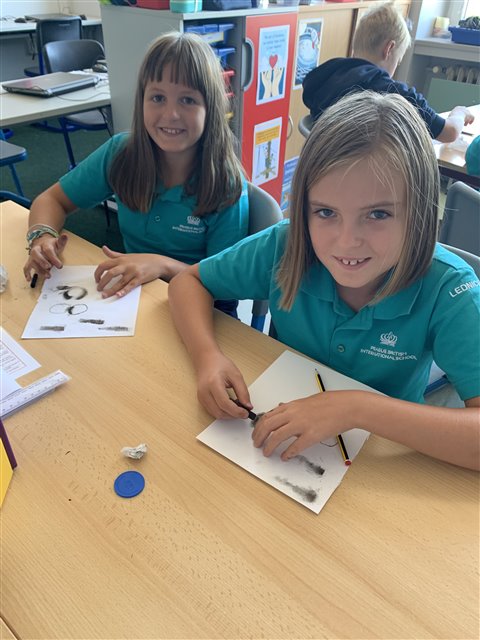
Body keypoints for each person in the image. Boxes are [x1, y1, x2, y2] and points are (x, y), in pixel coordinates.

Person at [169, 91, 480, 471]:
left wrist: (358, 408)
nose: (347, 241)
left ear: (418, 211)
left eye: (378, 214)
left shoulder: (451, 291)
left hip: (383, 459)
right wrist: (207, 357)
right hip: (279, 442)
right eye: (326, 212)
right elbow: (188, 282)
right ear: (305, 208)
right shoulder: (286, 246)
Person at [23, 32, 248, 314]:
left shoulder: (225, 184)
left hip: (204, 309)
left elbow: (224, 285)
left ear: (211, 107)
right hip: (134, 299)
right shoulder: (121, 153)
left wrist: (162, 265)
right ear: (142, 101)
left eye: (188, 100)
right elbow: (52, 200)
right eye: (157, 97)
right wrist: (42, 236)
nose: (171, 114)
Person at [302, 1, 474, 143]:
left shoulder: (326, 76)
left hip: (321, 168)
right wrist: (459, 112)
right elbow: (449, 132)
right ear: (389, 49)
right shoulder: (393, 94)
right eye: (398, 61)